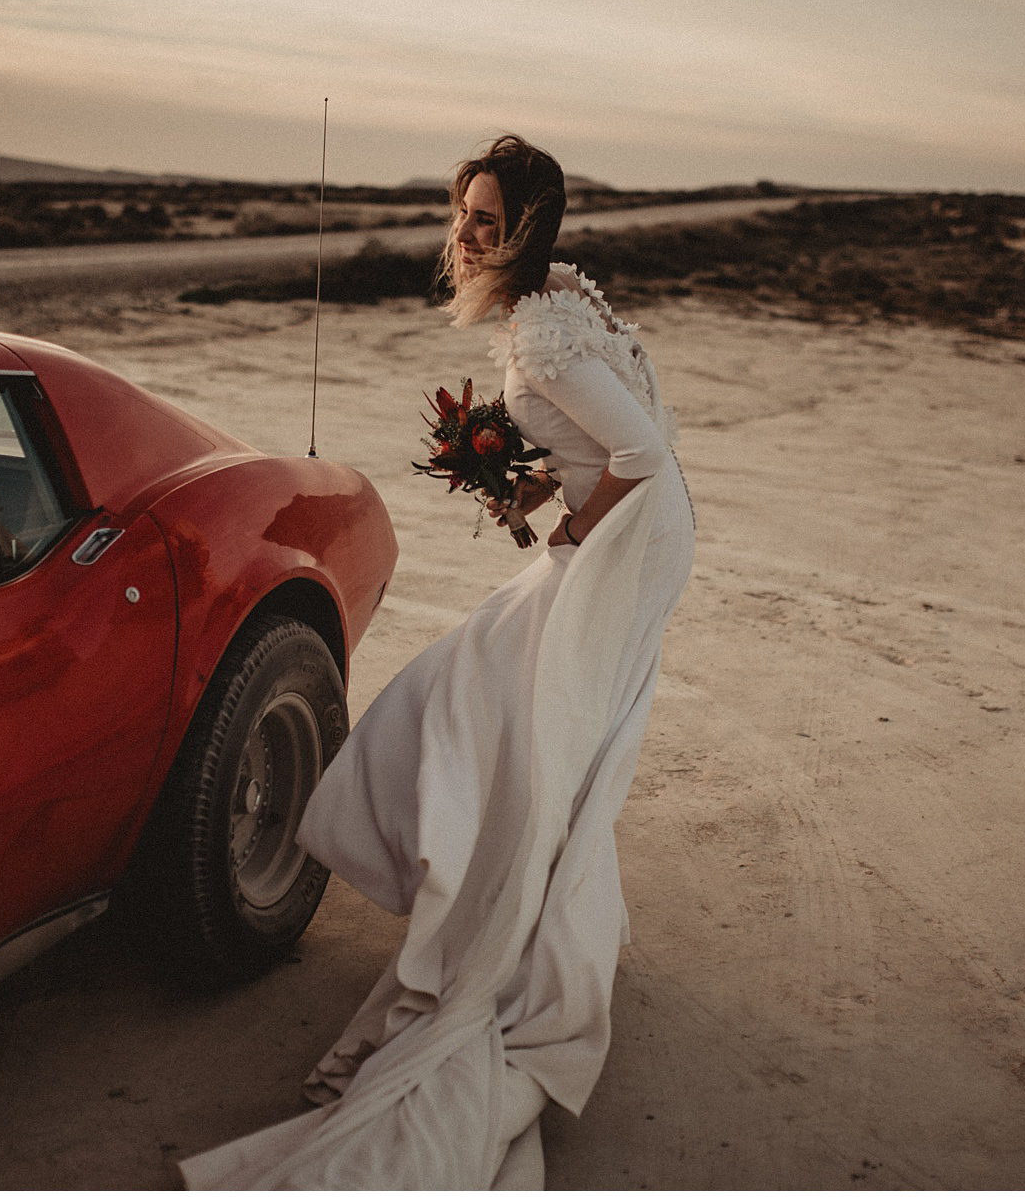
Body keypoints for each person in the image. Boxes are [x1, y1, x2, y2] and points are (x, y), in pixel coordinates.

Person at [178, 134, 694, 1188]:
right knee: (530, 722)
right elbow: (614, 449)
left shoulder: (540, 341)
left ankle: (488, 912)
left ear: (526, 233)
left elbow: (639, 454)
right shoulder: (554, 305)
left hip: (628, 543)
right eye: (460, 212)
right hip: (641, 530)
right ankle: (504, 891)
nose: (462, 235)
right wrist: (530, 490)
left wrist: (566, 539)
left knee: (466, 693)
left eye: (484, 221)